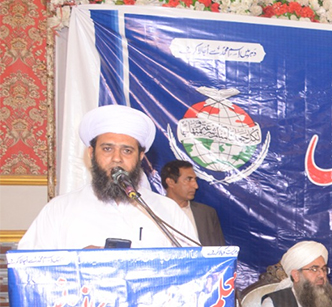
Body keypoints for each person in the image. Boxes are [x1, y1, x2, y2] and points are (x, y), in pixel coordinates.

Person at [19, 105, 198, 250]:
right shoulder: (59, 210)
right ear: (91, 153)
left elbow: (194, 270)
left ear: (141, 157)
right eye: (107, 149)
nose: (117, 158)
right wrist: (77, 262)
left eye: (127, 151)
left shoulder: (168, 212)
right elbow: (30, 272)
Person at [160, 160, 226, 246]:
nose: (196, 186)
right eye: (188, 179)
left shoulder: (207, 214)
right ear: (171, 182)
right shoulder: (152, 212)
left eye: (195, 180)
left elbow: (220, 252)